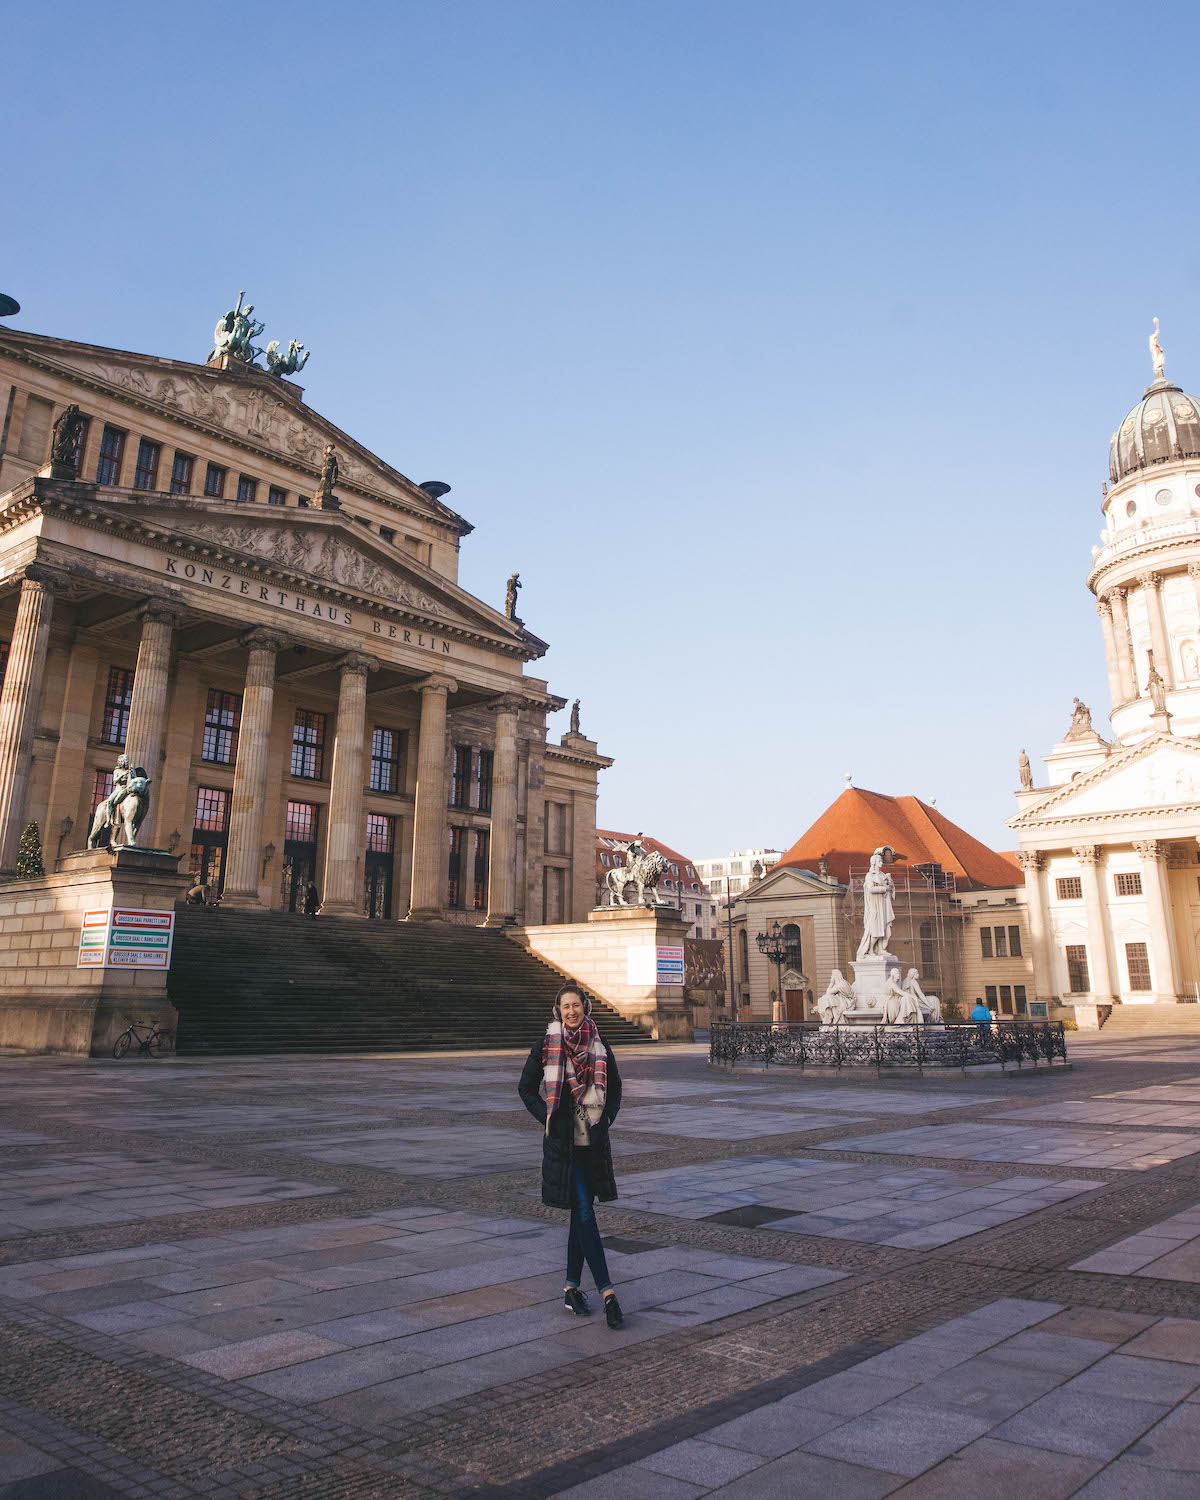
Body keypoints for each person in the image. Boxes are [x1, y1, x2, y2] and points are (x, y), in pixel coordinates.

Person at [519, 983, 624, 1328]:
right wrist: (548, 1120)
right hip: (564, 1145)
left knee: (581, 1216)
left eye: (576, 1005)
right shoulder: (547, 1044)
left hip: (592, 1144)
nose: (571, 1011)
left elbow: (617, 1088)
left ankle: (571, 1288)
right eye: (565, 1007)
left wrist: (606, 1118)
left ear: (585, 1008)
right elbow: (526, 1087)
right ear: (558, 1012)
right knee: (583, 1211)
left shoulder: (598, 1042)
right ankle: (608, 1293)